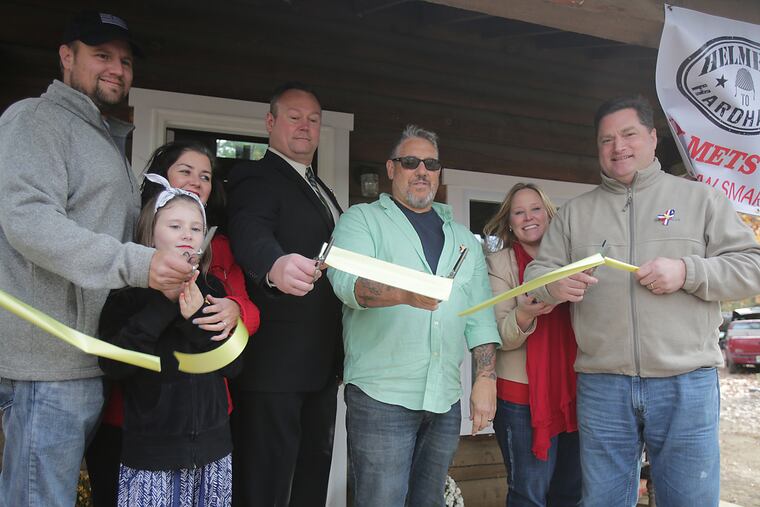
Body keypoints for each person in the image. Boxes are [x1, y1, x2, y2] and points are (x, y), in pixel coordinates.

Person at [524, 95, 760, 507]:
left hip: (686, 382)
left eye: (629, 134)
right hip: (603, 384)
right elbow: (536, 276)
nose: (618, 147)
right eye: (606, 140)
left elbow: (751, 265)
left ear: (653, 139)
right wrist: (553, 287)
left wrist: (688, 272)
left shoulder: (700, 199)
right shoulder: (575, 214)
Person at [0, 12, 191, 507]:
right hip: (45, 364)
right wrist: (137, 263)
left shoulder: (102, 137)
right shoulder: (36, 120)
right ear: (67, 57)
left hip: (87, 360)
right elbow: (27, 220)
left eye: (125, 61)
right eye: (102, 55)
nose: (117, 69)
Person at [327, 124, 501, 507]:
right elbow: (345, 282)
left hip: (444, 397)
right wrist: (404, 292)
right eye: (410, 162)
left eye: (432, 163)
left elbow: (480, 314)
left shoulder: (462, 238)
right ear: (391, 169)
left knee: (429, 502)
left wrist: (485, 379)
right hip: (381, 396)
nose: (422, 170)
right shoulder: (362, 220)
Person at [85, 140, 261, 506]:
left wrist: (196, 313)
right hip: (151, 454)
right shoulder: (127, 294)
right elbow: (114, 364)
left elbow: (234, 365)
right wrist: (164, 304)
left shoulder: (212, 289)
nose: (186, 234)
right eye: (175, 226)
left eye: (196, 229)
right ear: (151, 234)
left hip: (213, 450)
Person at [226, 82, 343, 506]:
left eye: (313, 120)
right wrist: (273, 267)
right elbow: (249, 230)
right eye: (294, 117)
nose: (305, 127)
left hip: (321, 364)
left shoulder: (320, 188)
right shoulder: (255, 177)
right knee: (267, 486)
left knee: (310, 479)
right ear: (271, 122)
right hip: (274, 366)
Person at [483, 183, 581, 507]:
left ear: (550, 215)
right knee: (529, 496)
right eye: (519, 212)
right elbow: (500, 335)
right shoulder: (499, 264)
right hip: (522, 399)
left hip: (576, 393)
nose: (529, 218)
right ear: (509, 222)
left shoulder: (573, 260)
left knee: (570, 494)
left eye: (535, 209)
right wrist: (524, 314)